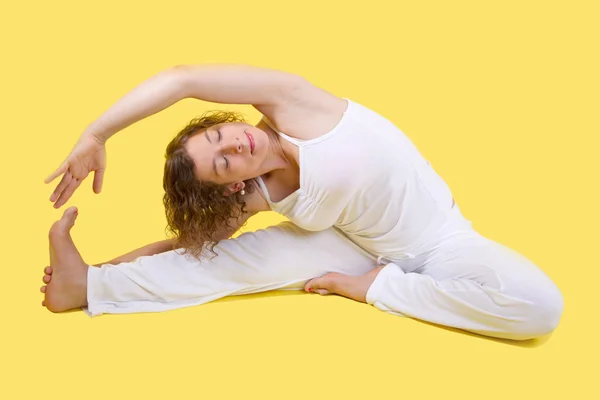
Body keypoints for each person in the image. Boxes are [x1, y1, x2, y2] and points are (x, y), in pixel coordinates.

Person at [40, 64, 564, 341]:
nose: (234, 145)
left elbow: (183, 79)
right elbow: (189, 250)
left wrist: (97, 133)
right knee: (227, 264)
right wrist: (98, 270)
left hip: (439, 242)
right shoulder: (254, 196)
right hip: (349, 246)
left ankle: (379, 290)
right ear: (229, 185)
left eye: (221, 134)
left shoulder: (293, 102)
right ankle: (86, 288)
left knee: (541, 307)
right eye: (222, 162)